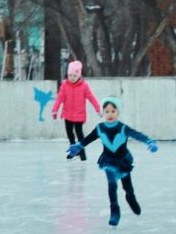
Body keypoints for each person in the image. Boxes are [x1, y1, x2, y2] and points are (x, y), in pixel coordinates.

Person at [67, 97, 159, 226]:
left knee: (128, 187)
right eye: (107, 111)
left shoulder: (122, 128)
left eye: (113, 111)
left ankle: (131, 198)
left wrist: (149, 141)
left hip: (123, 161)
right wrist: (78, 146)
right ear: (103, 113)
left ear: (118, 112)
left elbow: (137, 134)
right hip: (108, 161)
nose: (110, 114)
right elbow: (88, 139)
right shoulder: (100, 128)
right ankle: (115, 211)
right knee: (112, 184)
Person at [51, 60, 101, 160]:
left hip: (79, 115)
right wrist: (55, 110)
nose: (71, 78)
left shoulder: (84, 86)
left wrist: (98, 108)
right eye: (69, 75)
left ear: (78, 75)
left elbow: (91, 97)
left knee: (79, 134)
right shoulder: (65, 85)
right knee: (70, 133)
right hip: (67, 114)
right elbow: (59, 98)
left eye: (74, 75)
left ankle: (82, 153)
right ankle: (73, 151)